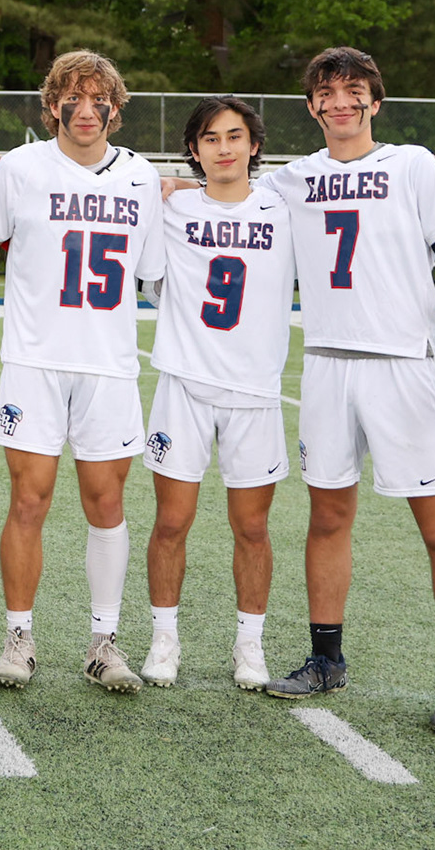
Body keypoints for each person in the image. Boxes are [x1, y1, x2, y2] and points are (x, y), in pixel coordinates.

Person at [255, 47, 435, 734]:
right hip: (327, 365)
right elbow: (220, 188)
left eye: (354, 89)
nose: (341, 101)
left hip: (402, 367)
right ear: (311, 106)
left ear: (375, 101)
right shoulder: (294, 179)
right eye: (327, 91)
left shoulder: (412, 164)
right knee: (327, 518)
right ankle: (325, 659)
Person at [0, 49, 163, 693]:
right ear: (52, 105)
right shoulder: (22, 168)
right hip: (35, 361)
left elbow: (155, 274)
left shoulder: (142, 177)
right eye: (72, 98)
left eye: (98, 99)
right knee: (29, 500)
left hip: (109, 364)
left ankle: (103, 641)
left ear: (115, 107)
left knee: (106, 503)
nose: (86, 110)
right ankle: (18, 637)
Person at [139, 97, 291, 691]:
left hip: (255, 390)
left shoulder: (284, 206)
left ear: (254, 144)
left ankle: (249, 645)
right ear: (193, 150)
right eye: (210, 138)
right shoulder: (171, 205)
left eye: (234, 136)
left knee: (251, 528)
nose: (223, 148)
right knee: (171, 521)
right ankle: (164, 638)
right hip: (184, 382)